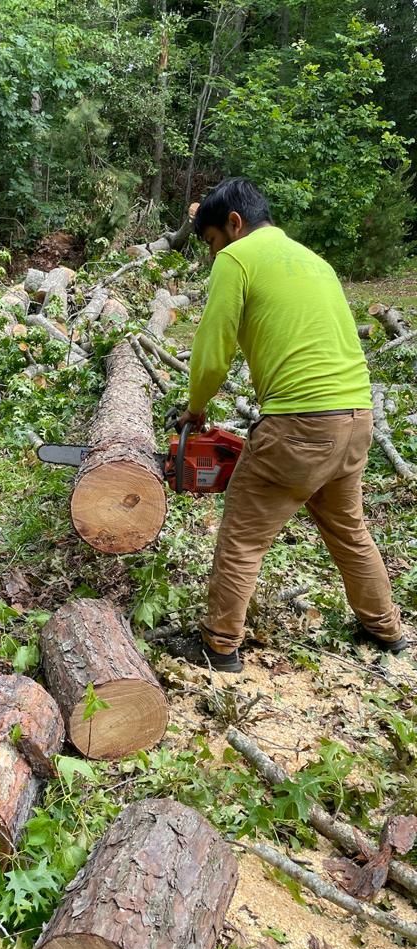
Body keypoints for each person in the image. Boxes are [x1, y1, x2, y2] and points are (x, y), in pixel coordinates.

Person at [174, 177, 406, 673]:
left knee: (242, 535)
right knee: (350, 529)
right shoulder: (314, 261)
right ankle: (385, 628)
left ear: (234, 224)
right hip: (356, 418)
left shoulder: (236, 259)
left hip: (301, 424)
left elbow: (213, 352)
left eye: (212, 240)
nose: (215, 252)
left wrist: (196, 409)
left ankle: (219, 646)